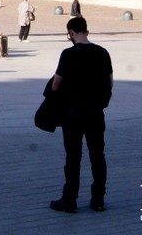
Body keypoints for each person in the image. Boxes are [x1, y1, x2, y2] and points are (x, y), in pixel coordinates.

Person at [49, 16, 113, 214]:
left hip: (72, 114)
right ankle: (98, 200)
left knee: (73, 157)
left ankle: (70, 200)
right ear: (87, 31)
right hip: (95, 113)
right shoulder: (102, 53)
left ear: (71, 33)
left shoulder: (68, 54)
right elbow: (110, 83)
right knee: (98, 156)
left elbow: (56, 84)